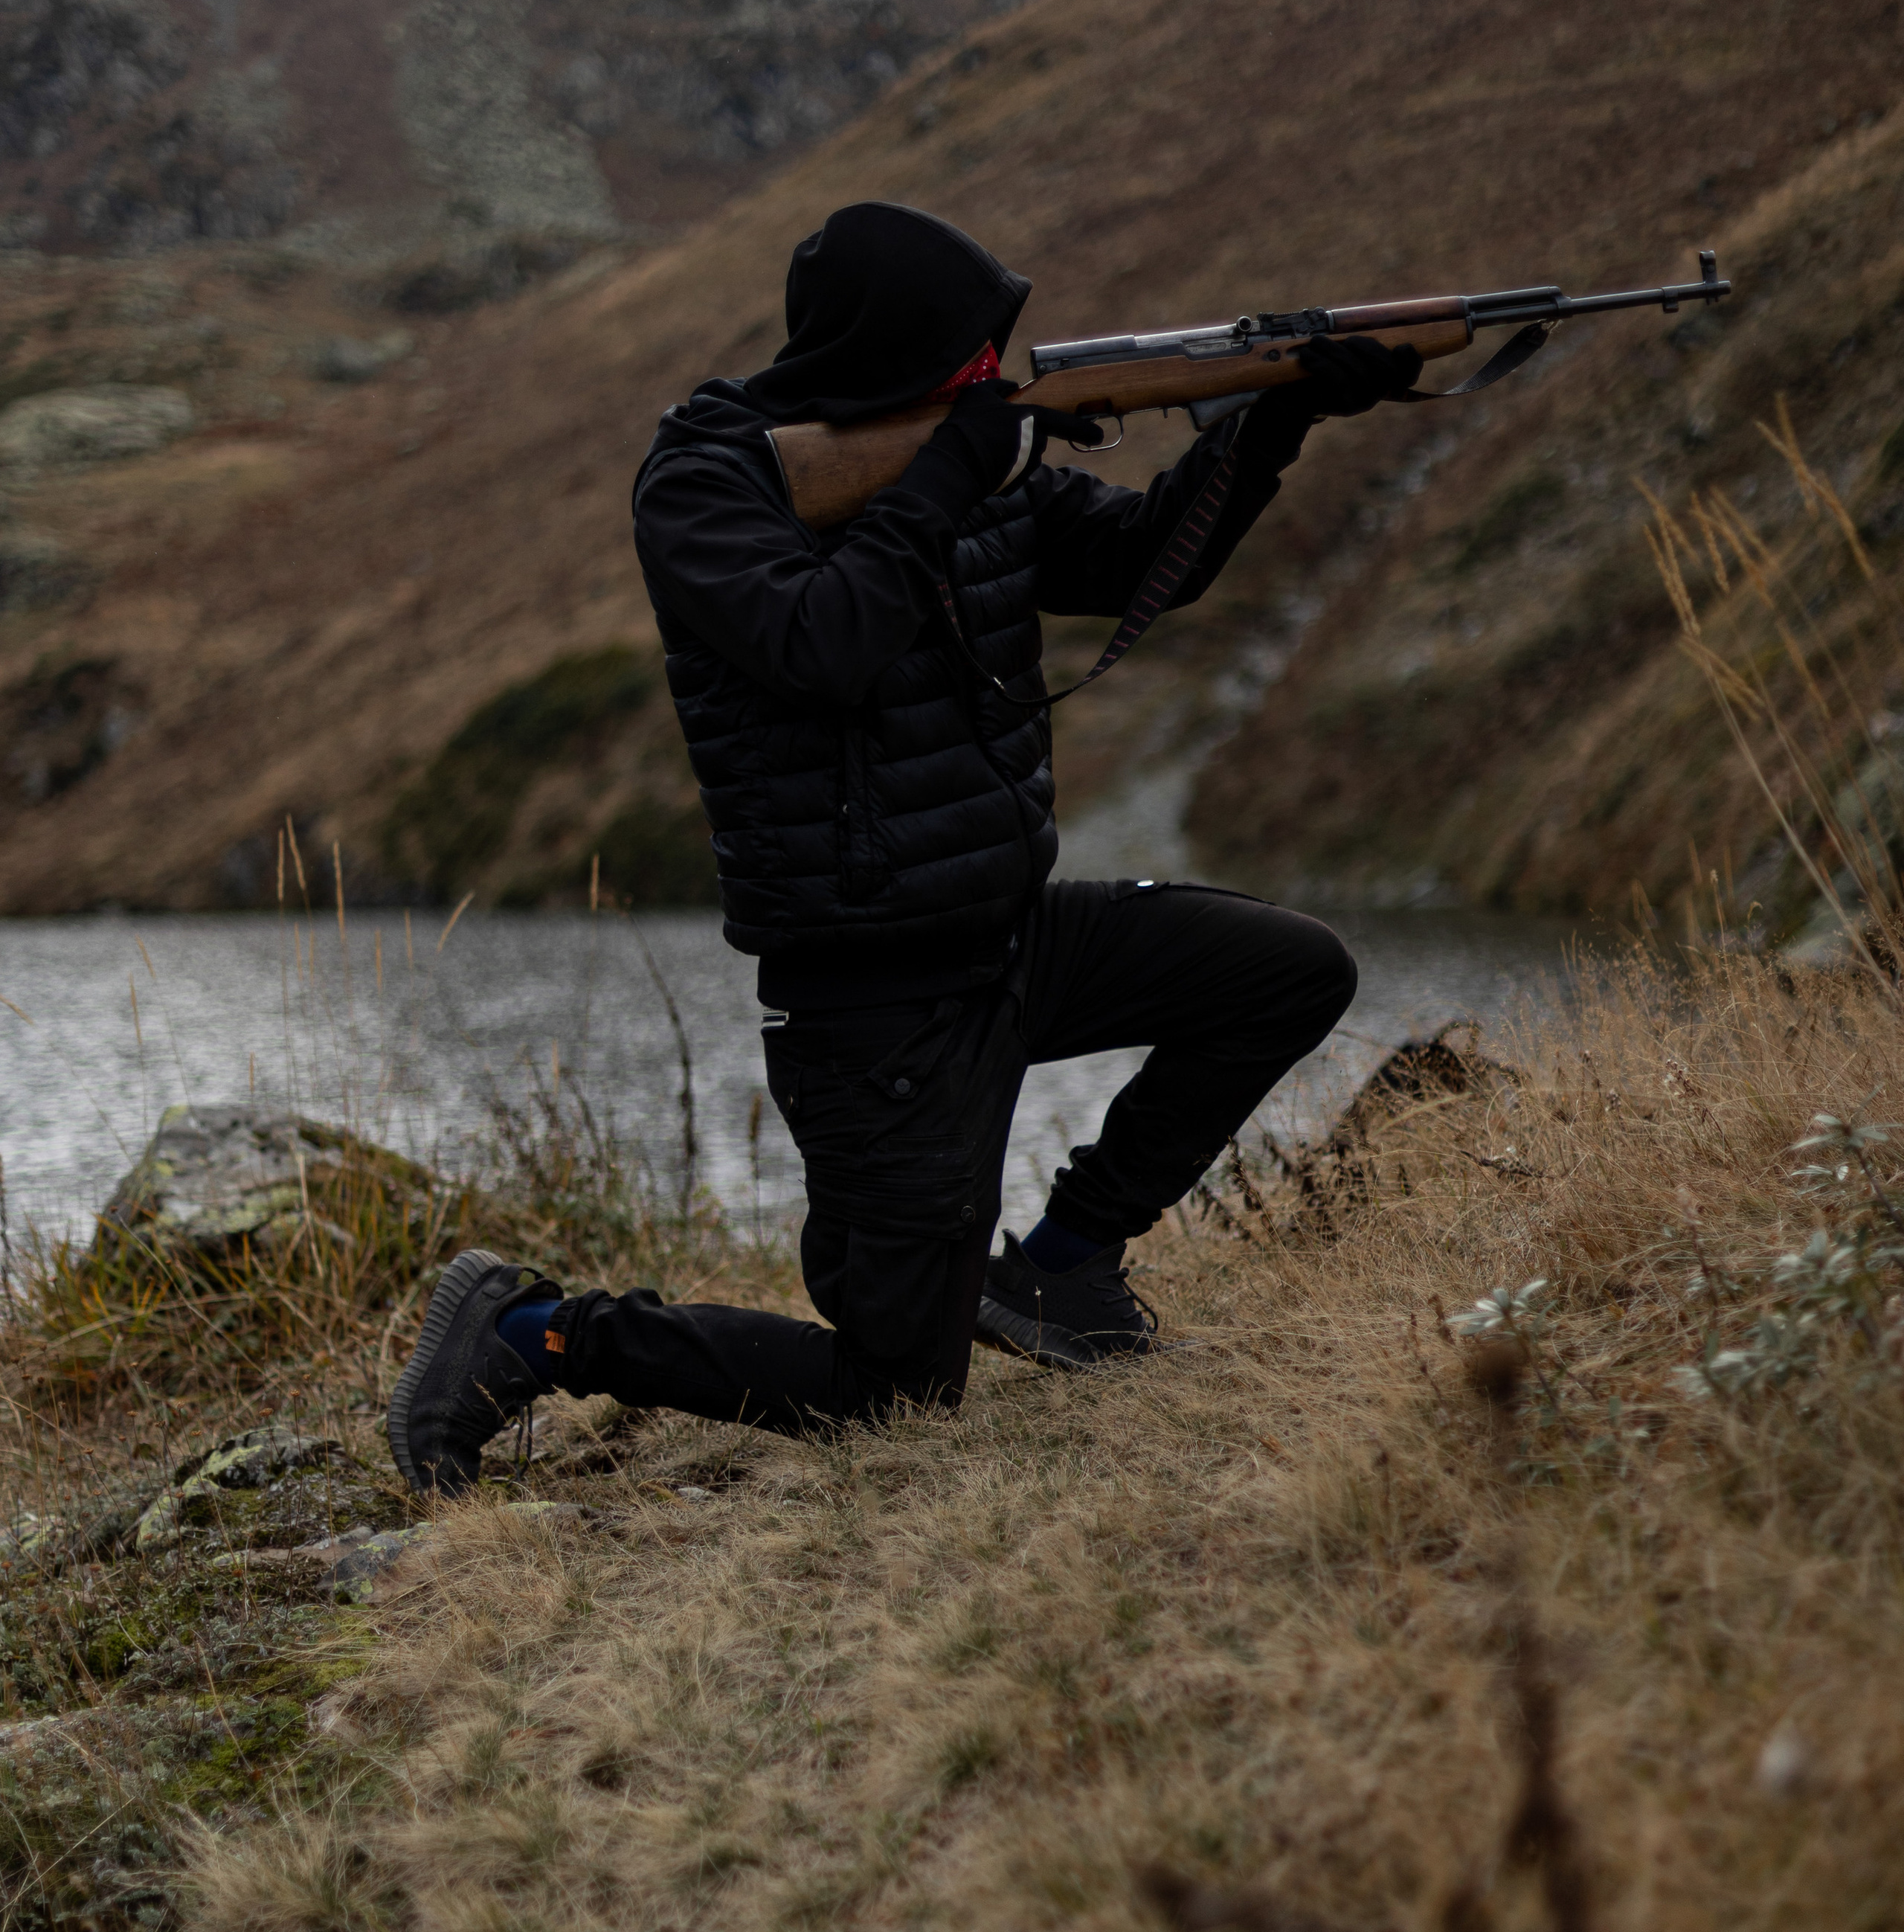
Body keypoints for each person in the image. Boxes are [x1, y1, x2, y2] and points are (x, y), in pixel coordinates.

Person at [387, 202, 1421, 1495]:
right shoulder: (710, 478)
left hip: (1013, 934)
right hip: (872, 997)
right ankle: (533, 1332)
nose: (995, 377)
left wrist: (1273, 424)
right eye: (971, 359)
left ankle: (1060, 1264)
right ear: (889, 358)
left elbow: (1139, 560)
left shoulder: (968, 465)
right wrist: (952, 471)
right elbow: (821, 643)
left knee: (1287, 972)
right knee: (894, 1394)